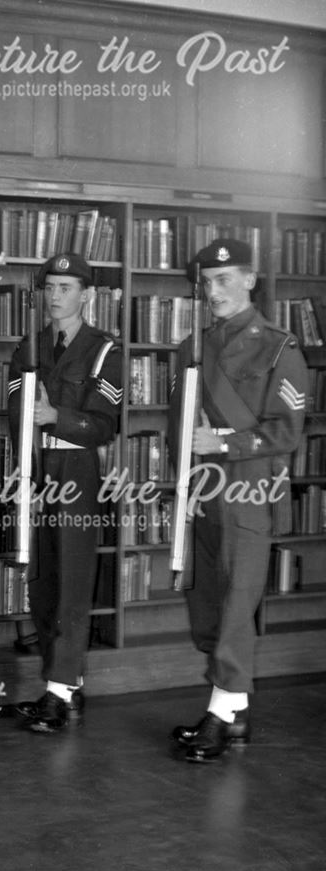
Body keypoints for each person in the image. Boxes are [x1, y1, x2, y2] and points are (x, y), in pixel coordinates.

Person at [168, 238, 307, 762]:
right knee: (205, 602)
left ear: (250, 280)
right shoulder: (193, 348)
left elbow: (286, 431)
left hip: (247, 490)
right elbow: (176, 425)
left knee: (234, 606)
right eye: (207, 282)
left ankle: (220, 714)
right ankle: (234, 709)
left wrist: (223, 442)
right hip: (201, 492)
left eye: (225, 280)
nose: (214, 291)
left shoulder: (278, 346)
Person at [7, 252, 123, 733]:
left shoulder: (103, 351)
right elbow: (15, 415)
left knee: (73, 579)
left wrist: (57, 418)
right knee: (43, 580)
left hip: (75, 468)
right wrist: (25, 472)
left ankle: (59, 690)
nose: (56, 297)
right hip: (36, 468)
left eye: (66, 288)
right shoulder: (29, 347)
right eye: (50, 287)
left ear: (87, 295)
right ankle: (63, 684)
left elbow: (104, 426)